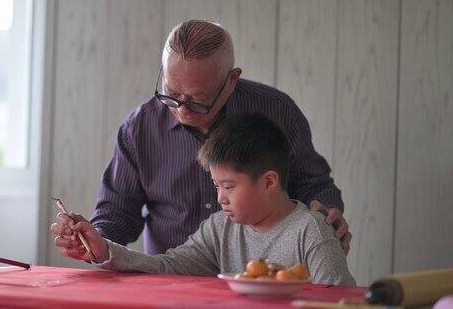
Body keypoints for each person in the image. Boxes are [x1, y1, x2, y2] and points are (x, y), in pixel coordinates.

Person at [89, 19, 351, 255]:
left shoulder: (277, 111)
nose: (181, 109)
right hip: (173, 284)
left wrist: (327, 212)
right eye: (171, 92)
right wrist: (91, 240)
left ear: (232, 80)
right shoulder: (140, 128)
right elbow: (118, 212)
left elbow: (313, 185)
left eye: (198, 100)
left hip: (265, 279)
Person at [52, 114, 355, 286]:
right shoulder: (219, 228)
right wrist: (103, 249)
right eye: (216, 185)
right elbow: (167, 267)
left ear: (269, 182)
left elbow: (340, 298)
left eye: (229, 186)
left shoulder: (310, 230)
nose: (220, 198)